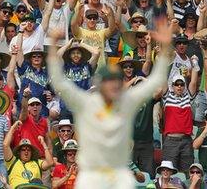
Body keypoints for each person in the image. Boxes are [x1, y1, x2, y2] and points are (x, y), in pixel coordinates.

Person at [47, 18, 173, 187]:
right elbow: (60, 83)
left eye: (117, 80)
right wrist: (53, 46)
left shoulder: (127, 100)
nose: (113, 84)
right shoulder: (87, 102)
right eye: (109, 80)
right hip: (91, 174)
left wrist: (164, 49)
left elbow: (155, 81)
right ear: (100, 83)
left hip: (119, 173)